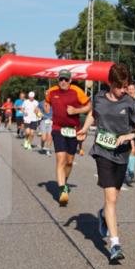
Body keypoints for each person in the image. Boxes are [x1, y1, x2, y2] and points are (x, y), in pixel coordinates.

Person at [76, 64, 135, 264]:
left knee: (113, 199)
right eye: (119, 87)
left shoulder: (129, 102)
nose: (123, 90)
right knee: (110, 198)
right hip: (102, 152)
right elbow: (94, 113)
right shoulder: (100, 97)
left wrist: (131, 135)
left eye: (125, 86)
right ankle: (115, 244)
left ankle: (103, 214)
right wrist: (85, 128)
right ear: (110, 83)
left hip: (122, 154)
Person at [46, 69, 91, 206]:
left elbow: (89, 107)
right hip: (58, 129)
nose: (63, 82)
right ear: (58, 80)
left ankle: (64, 182)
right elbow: (46, 101)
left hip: (73, 130)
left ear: (70, 80)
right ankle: (62, 190)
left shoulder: (77, 91)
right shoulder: (52, 91)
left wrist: (77, 111)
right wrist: (45, 108)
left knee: (69, 161)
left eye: (66, 79)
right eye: (61, 79)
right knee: (61, 159)